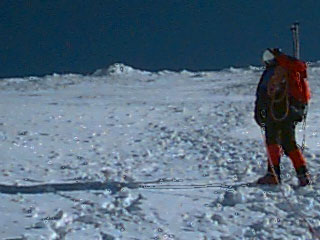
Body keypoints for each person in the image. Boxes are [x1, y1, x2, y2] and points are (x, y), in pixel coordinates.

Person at [254, 48, 312, 186]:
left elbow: (263, 93)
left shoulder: (272, 72)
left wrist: (259, 111)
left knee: (272, 140)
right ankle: (303, 174)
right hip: (294, 109)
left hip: (276, 109)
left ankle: (273, 174)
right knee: (288, 141)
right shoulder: (291, 68)